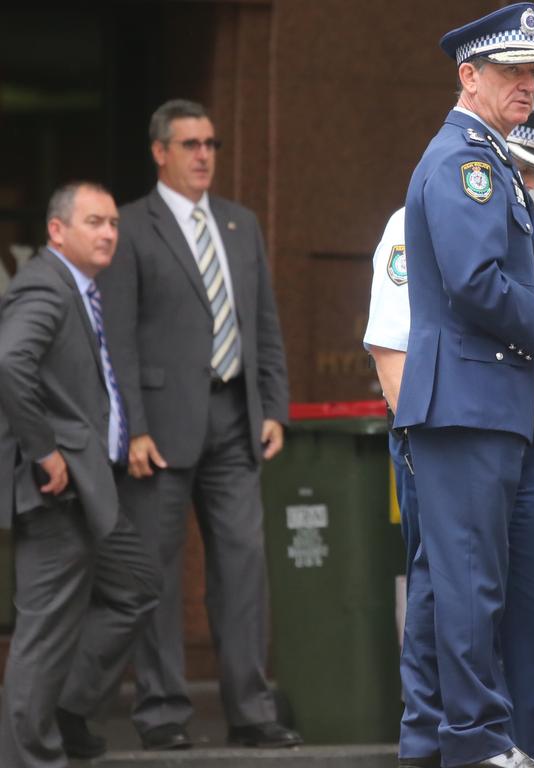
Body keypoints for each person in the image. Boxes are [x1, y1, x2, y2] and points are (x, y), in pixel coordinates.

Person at [366, 110, 534, 768]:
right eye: (516, 170)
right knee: (450, 596)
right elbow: (391, 349)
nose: (524, 183)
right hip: (448, 429)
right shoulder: (419, 221)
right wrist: (417, 439)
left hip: (530, 426)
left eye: (531, 174)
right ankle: (437, 749)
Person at [394, 4, 534, 766]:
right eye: (511, 71)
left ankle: (484, 744)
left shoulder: (490, 155)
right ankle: (474, 743)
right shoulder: (465, 161)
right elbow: (474, 281)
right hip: (467, 402)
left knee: (481, 589)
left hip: (492, 401)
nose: (527, 85)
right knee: (467, 586)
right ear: (468, 76)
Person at [96, 99, 298, 751]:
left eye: (210, 142)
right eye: (190, 144)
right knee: (154, 573)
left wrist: (273, 407)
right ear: (161, 152)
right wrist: (131, 427)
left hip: (235, 417)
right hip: (159, 427)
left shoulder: (241, 225)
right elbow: (118, 338)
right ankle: (161, 715)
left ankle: (250, 710)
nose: (205, 154)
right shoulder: (130, 226)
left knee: (243, 568)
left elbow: (263, 325)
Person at [0, 182, 161, 767]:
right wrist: (44, 451)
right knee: (42, 635)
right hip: (55, 491)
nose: (109, 233)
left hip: (90, 487)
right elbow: (9, 361)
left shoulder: (79, 288)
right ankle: (29, 758)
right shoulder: (45, 285)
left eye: (113, 223)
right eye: (94, 222)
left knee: (137, 585)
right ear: (57, 231)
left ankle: (67, 707)